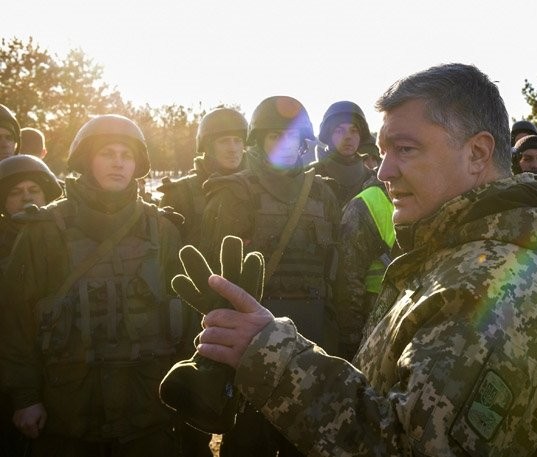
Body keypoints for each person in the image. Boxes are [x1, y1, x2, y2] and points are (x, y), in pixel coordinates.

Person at [183, 64, 537, 456]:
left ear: (477, 153)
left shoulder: (491, 288)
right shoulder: (471, 250)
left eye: (405, 149)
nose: (383, 171)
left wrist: (273, 356)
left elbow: (406, 446)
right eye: (383, 151)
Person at [0, 114, 196, 456]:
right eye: (107, 153)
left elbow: (186, 313)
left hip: (147, 407)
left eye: (127, 155)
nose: (118, 163)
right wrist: (26, 397)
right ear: (87, 159)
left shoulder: (162, 230)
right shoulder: (43, 231)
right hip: (68, 410)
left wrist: (186, 390)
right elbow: (16, 322)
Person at [199, 95, 341, 456]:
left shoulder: (324, 195)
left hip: (312, 344)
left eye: (291, 137)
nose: (284, 145)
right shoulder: (234, 194)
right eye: (274, 137)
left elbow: (335, 272)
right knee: (250, 442)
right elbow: (216, 282)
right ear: (259, 142)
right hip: (253, 344)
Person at [0, 154, 62, 457]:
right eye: (15, 192)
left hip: (57, 379)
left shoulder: (63, 239)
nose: (26, 198)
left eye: (34, 190)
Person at [159, 107, 248, 245]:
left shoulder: (256, 185)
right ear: (208, 147)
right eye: (224, 141)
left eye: (237, 140)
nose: (233, 149)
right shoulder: (180, 194)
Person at [332, 171, 394, 360]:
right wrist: (352, 341)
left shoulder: (436, 198)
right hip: (373, 330)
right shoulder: (365, 204)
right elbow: (348, 280)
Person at [312, 101, 374, 207]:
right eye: (339, 131)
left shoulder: (372, 179)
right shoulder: (310, 177)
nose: (348, 137)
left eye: (354, 131)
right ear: (329, 135)